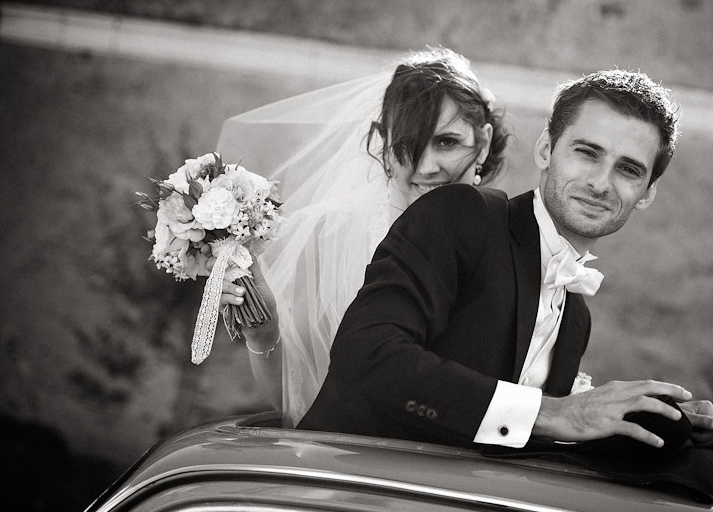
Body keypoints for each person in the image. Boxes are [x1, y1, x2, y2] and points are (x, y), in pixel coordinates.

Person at [297, 69, 713, 451]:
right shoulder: (463, 213)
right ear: (545, 149)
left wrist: (656, 423)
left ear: (647, 193)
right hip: (335, 494)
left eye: (628, 169)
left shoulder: (576, 319)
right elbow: (366, 352)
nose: (600, 183)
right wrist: (556, 413)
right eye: (587, 152)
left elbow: (517, 435)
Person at [215, 47, 516, 427]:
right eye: (408, 143)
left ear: (483, 143)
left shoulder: (514, 243)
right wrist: (264, 335)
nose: (426, 166)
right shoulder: (327, 236)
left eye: (446, 142)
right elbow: (297, 404)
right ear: (383, 143)